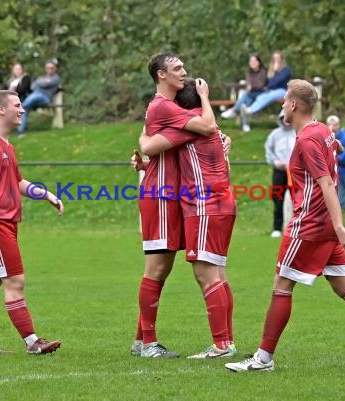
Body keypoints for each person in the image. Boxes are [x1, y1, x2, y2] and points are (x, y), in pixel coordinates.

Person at [225, 79, 345, 373]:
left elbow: (325, 183)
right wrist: (334, 223)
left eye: (285, 101)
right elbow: (334, 147)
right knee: (344, 286)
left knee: (282, 285)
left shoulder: (307, 138)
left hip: (310, 223)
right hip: (324, 224)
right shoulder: (322, 130)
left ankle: (262, 359)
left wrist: (339, 226)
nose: (283, 105)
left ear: (295, 105)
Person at [139, 77, 237, 359]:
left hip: (204, 206)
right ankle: (227, 342)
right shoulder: (211, 128)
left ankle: (220, 346)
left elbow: (149, 143)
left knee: (205, 273)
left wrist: (144, 138)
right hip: (222, 203)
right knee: (218, 273)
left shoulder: (191, 126)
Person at [129, 53, 217, 358]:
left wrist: (148, 150)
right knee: (157, 268)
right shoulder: (163, 105)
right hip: (160, 195)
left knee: (161, 269)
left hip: (166, 194)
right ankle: (148, 344)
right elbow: (207, 127)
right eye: (177, 68)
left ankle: (142, 340)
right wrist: (205, 99)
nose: (184, 72)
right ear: (161, 75)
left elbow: (152, 144)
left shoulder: (167, 107)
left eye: (183, 67)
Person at [0, 90, 63, 356]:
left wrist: (46, 194)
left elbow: (17, 182)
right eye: (17, 105)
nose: (22, 110)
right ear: (1, 110)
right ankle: (32, 342)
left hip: (2, 222)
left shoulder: (5, 144)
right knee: (15, 281)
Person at [239, 50, 292, 132]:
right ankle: (247, 116)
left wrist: (275, 72)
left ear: (281, 59)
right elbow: (268, 82)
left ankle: (250, 111)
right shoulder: (270, 70)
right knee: (259, 96)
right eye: (274, 58)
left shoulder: (286, 70)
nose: (276, 60)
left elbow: (278, 81)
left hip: (283, 91)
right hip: (271, 92)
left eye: (278, 58)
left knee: (268, 95)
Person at [264, 110, 296, 238]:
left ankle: (296, 228)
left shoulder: (297, 132)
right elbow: (268, 150)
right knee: (278, 199)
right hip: (279, 171)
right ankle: (277, 228)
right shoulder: (275, 134)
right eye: (283, 118)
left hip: (295, 172)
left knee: (297, 200)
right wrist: (274, 161)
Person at [220, 53, 267, 133]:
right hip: (251, 94)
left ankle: (234, 110)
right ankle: (245, 124)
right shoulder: (248, 72)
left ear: (258, 62)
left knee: (246, 96)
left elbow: (260, 85)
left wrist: (251, 86)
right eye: (251, 61)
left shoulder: (263, 72)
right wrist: (250, 86)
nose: (252, 62)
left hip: (261, 94)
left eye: (254, 60)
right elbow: (249, 83)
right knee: (244, 105)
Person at [17, 60, 61, 136]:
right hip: (34, 97)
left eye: (51, 67)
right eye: (48, 67)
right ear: (45, 69)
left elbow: (44, 84)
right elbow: (32, 86)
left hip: (45, 98)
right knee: (25, 108)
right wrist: (41, 82)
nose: (50, 69)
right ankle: (20, 131)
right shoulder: (42, 77)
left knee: (34, 96)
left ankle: (19, 108)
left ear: (55, 69)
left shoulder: (56, 78)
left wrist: (40, 82)